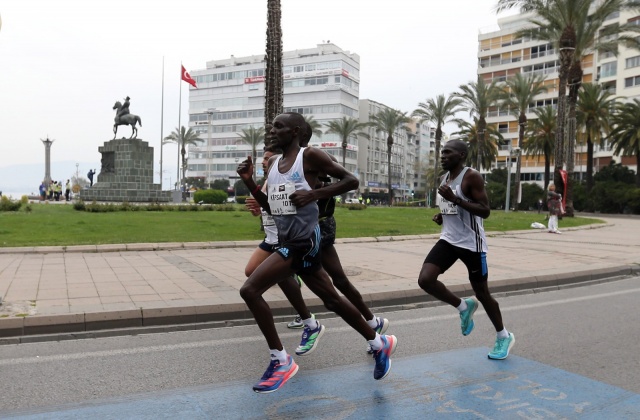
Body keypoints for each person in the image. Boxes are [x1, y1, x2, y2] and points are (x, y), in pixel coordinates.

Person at [236, 112, 397, 394]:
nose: (272, 130)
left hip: (304, 241)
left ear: (295, 131)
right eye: (272, 126)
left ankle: (281, 360)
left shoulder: (309, 156)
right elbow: (273, 209)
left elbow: (351, 181)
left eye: (279, 126)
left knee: (250, 290)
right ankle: (378, 342)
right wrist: (250, 182)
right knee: (332, 299)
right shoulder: (273, 163)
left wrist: (313, 195)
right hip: (287, 240)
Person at [292, 123, 389, 351]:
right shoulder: (288, 159)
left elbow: (347, 180)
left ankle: (312, 321)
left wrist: (314, 192)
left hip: (320, 226)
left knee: (335, 281)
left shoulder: (314, 156)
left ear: (299, 134)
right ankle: (371, 323)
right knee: (332, 281)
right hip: (299, 229)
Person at [417, 139, 515, 360]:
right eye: (441, 153)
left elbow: (485, 210)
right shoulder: (444, 178)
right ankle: (463, 306)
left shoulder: (472, 176)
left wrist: (456, 200)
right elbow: (450, 208)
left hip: (472, 244)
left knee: (483, 293)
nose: (442, 156)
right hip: (449, 240)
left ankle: (503, 336)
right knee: (425, 280)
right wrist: (441, 215)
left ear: (461, 155)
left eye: (448, 153)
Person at [244, 146, 319, 354]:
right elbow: (271, 209)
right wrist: (257, 210)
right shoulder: (269, 182)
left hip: (286, 239)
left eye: (268, 159)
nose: (264, 162)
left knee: (332, 291)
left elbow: (287, 210)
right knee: (251, 271)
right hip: (270, 238)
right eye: (263, 159)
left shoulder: (285, 179)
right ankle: (304, 312)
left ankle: (307, 319)